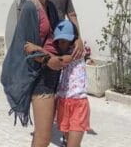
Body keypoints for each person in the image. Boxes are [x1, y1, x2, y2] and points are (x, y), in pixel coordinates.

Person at [1, 0, 70, 147]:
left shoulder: (51, 7)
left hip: (53, 74)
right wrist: (48, 59)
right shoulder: (30, 8)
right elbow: (26, 47)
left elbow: (58, 36)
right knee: (44, 136)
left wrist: (75, 44)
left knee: (41, 134)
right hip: (40, 76)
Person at [27, 19, 90, 147]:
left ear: (73, 40)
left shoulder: (76, 52)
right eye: (59, 41)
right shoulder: (60, 52)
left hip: (78, 104)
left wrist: (37, 49)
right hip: (63, 102)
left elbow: (59, 60)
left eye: (65, 41)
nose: (61, 44)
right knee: (68, 142)